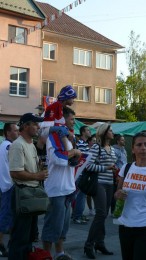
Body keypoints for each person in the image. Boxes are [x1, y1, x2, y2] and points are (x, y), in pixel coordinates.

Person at [41, 107, 81, 260]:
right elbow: (57, 158)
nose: (74, 122)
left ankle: (59, 253)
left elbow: (70, 161)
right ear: (62, 119)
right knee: (52, 225)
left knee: (63, 227)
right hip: (56, 189)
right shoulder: (53, 135)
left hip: (68, 188)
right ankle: (46, 255)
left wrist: (76, 157)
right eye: (71, 119)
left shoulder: (69, 137)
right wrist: (76, 153)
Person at [8, 113, 49, 260]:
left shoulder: (31, 144)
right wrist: (36, 176)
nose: (38, 127)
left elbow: (30, 169)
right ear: (25, 126)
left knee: (29, 236)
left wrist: (40, 169)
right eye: (35, 124)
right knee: (20, 238)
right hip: (23, 194)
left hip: (31, 194)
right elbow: (15, 172)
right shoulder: (17, 145)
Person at [84, 123, 117, 259]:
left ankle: (100, 243)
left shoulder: (112, 148)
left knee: (103, 214)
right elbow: (88, 166)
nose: (112, 132)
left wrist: (114, 170)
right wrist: (106, 168)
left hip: (110, 183)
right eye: (110, 130)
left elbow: (110, 165)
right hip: (99, 183)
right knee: (101, 214)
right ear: (104, 132)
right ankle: (89, 245)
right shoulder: (96, 147)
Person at [114, 132, 146, 260]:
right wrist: (118, 194)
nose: (143, 147)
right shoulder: (126, 168)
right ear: (132, 149)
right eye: (139, 145)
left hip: (144, 227)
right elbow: (117, 193)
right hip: (125, 225)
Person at [0, 123, 19, 257]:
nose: (17, 132)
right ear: (7, 133)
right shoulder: (9, 146)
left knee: (8, 216)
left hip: (5, 185)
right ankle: (1, 245)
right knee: (5, 217)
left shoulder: (4, 146)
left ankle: (10, 244)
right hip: (8, 186)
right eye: (15, 130)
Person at [42, 85, 77, 156]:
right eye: (72, 98)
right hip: (53, 141)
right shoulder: (53, 107)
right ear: (67, 97)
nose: (74, 100)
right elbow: (45, 129)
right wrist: (64, 130)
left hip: (59, 139)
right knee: (63, 129)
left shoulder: (62, 107)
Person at [73, 126, 91, 224]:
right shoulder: (80, 143)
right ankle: (77, 216)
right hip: (80, 173)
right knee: (80, 195)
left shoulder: (84, 144)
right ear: (83, 132)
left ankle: (77, 214)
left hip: (82, 173)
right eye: (88, 130)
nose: (90, 132)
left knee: (80, 195)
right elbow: (80, 159)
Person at [111, 135, 127, 214]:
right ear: (118, 141)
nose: (124, 141)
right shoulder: (114, 150)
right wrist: (117, 174)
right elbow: (114, 163)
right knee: (116, 191)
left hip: (123, 173)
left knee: (122, 191)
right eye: (122, 140)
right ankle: (114, 210)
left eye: (124, 140)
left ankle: (119, 209)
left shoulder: (124, 149)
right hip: (117, 174)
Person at [86, 135, 96, 216]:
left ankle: (95, 208)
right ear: (89, 142)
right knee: (88, 193)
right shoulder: (86, 150)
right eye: (93, 140)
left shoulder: (96, 150)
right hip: (88, 173)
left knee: (94, 192)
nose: (94, 142)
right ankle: (90, 209)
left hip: (94, 173)